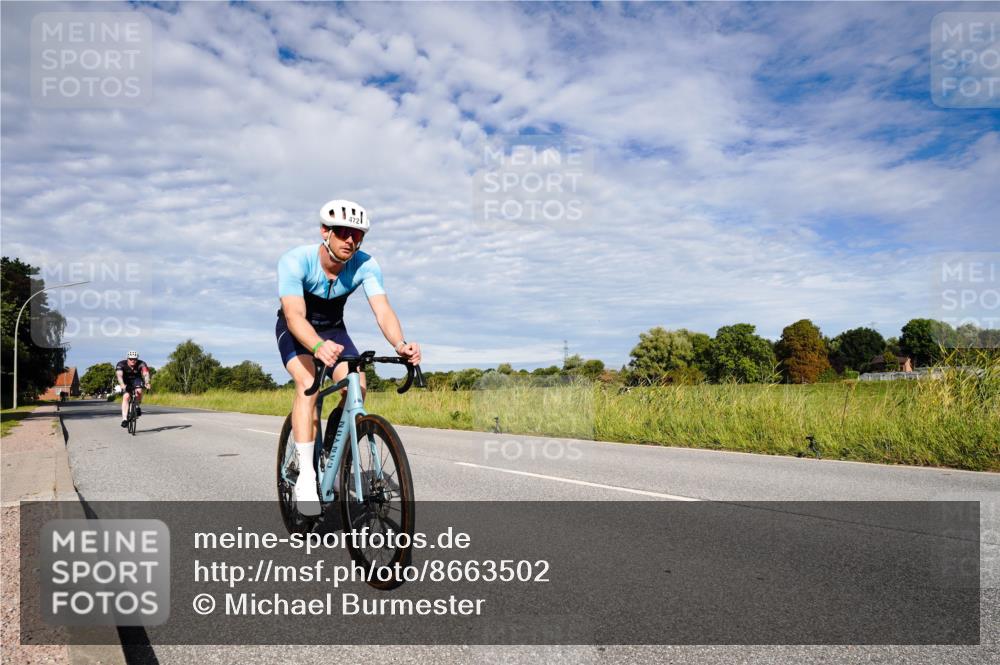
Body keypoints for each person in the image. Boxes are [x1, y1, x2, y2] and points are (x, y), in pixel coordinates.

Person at [276, 199, 421, 514]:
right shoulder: (295, 261)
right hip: (298, 329)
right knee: (308, 383)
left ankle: (331, 447)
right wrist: (316, 347)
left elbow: (382, 310)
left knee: (358, 385)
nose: (351, 241)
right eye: (343, 232)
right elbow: (294, 315)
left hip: (334, 330)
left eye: (358, 235)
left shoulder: (366, 264)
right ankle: (304, 477)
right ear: (325, 232)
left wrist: (401, 343)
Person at [115, 351, 151, 428]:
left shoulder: (142, 363)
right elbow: (119, 375)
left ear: (137, 359)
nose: (133, 360)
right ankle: (124, 419)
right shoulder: (121, 364)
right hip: (126, 381)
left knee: (139, 391)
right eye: (131, 359)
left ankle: (137, 406)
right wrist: (122, 385)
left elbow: (145, 373)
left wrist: (147, 382)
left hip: (137, 379)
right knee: (126, 397)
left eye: (134, 359)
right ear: (127, 359)